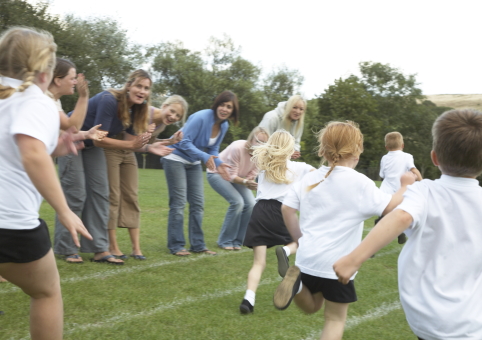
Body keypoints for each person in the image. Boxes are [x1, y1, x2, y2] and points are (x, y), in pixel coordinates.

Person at [334, 110, 482, 340]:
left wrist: (353, 259)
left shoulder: (425, 191)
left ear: (435, 157)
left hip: (430, 320)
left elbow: (402, 216)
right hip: (472, 324)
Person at [272, 121, 414, 340]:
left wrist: (299, 239)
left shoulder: (309, 178)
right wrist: (405, 185)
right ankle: (297, 286)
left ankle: (297, 286)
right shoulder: (360, 182)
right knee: (334, 320)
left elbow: (287, 208)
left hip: (307, 259)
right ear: (357, 150)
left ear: (323, 149)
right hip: (339, 267)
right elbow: (389, 206)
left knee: (312, 306)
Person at [0, 27, 91, 340]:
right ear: (44, 72)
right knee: (47, 293)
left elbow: (15, 145)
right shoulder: (37, 101)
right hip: (11, 225)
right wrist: (64, 211)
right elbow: (31, 154)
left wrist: (54, 147)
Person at [53, 69, 153, 265]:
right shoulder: (109, 100)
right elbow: (100, 139)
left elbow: (133, 142)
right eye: (139, 86)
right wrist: (131, 146)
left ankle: (99, 249)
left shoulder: (137, 110)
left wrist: (150, 146)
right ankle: (67, 248)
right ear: (129, 85)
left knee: (100, 193)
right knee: (76, 193)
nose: (142, 91)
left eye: (146, 88)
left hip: (91, 146)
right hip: (71, 139)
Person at [239, 130, 315, 314]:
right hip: (281, 212)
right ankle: (286, 250)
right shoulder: (299, 167)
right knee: (302, 241)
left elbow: (270, 157)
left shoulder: (264, 165)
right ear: (290, 149)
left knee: (258, 263)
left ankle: (248, 299)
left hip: (260, 213)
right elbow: (318, 174)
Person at [106, 95, 188, 260]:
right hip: (114, 148)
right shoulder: (145, 113)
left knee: (132, 196)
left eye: (178, 116)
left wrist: (170, 141)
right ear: (164, 105)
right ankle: (112, 246)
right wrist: (149, 146)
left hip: (129, 153)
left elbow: (148, 142)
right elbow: (134, 141)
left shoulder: (162, 124)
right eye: (172, 111)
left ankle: (136, 248)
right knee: (113, 196)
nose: (173, 117)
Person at [161, 91, 237, 256]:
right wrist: (205, 157)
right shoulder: (201, 117)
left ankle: (198, 245)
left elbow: (213, 148)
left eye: (229, 107)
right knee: (179, 203)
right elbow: (184, 141)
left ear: (233, 110)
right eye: (223, 105)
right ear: (217, 104)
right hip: (175, 157)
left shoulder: (223, 125)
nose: (224, 109)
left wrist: (218, 163)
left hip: (193, 162)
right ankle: (176, 245)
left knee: (198, 204)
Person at [207, 126, 269, 250]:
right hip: (217, 173)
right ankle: (225, 241)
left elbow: (252, 175)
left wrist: (251, 182)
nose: (260, 144)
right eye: (258, 140)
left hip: (238, 178)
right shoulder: (237, 147)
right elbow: (231, 176)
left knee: (251, 204)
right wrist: (246, 181)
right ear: (251, 140)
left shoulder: (262, 155)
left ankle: (238, 240)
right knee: (237, 202)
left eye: (264, 142)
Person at [378, 131, 422, 244]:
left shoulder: (384, 158)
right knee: (402, 212)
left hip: (386, 191)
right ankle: (401, 233)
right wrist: (421, 181)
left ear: (386, 147)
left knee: (384, 214)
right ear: (402, 145)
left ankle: (379, 228)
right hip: (402, 190)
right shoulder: (407, 156)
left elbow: (382, 175)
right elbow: (413, 169)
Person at [46, 58, 105, 141]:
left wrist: (87, 134)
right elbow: (73, 127)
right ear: (58, 81)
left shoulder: (54, 100)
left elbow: (61, 133)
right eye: (72, 79)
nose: (75, 82)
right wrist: (83, 97)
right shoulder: (46, 99)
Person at [258, 95, 307, 159]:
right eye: (294, 107)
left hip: (281, 161)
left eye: (301, 109)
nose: (298, 111)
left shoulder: (299, 122)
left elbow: (296, 143)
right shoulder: (271, 117)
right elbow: (260, 143)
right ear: (288, 106)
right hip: (261, 160)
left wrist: (294, 151)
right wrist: (286, 153)